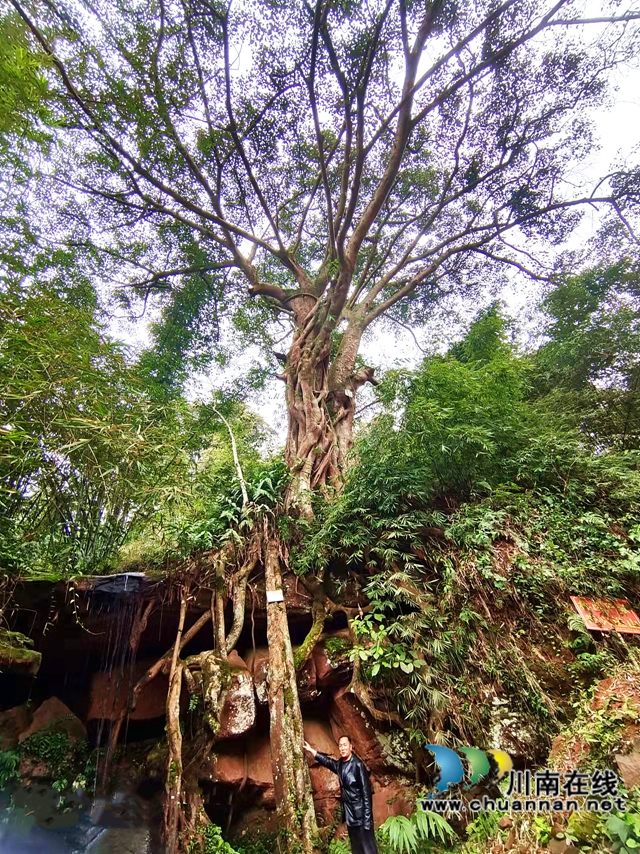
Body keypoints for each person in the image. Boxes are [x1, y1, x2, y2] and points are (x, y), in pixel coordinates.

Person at [303, 735, 378, 854]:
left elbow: (366, 794)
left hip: (362, 816)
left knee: (368, 850)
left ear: (351, 747)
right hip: (350, 816)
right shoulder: (340, 765)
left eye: (345, 745)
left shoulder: (358, 766)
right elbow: (328, 762)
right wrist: (312, 751)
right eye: (340, 745)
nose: (342, 748)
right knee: (357, 850)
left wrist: (367, 820)